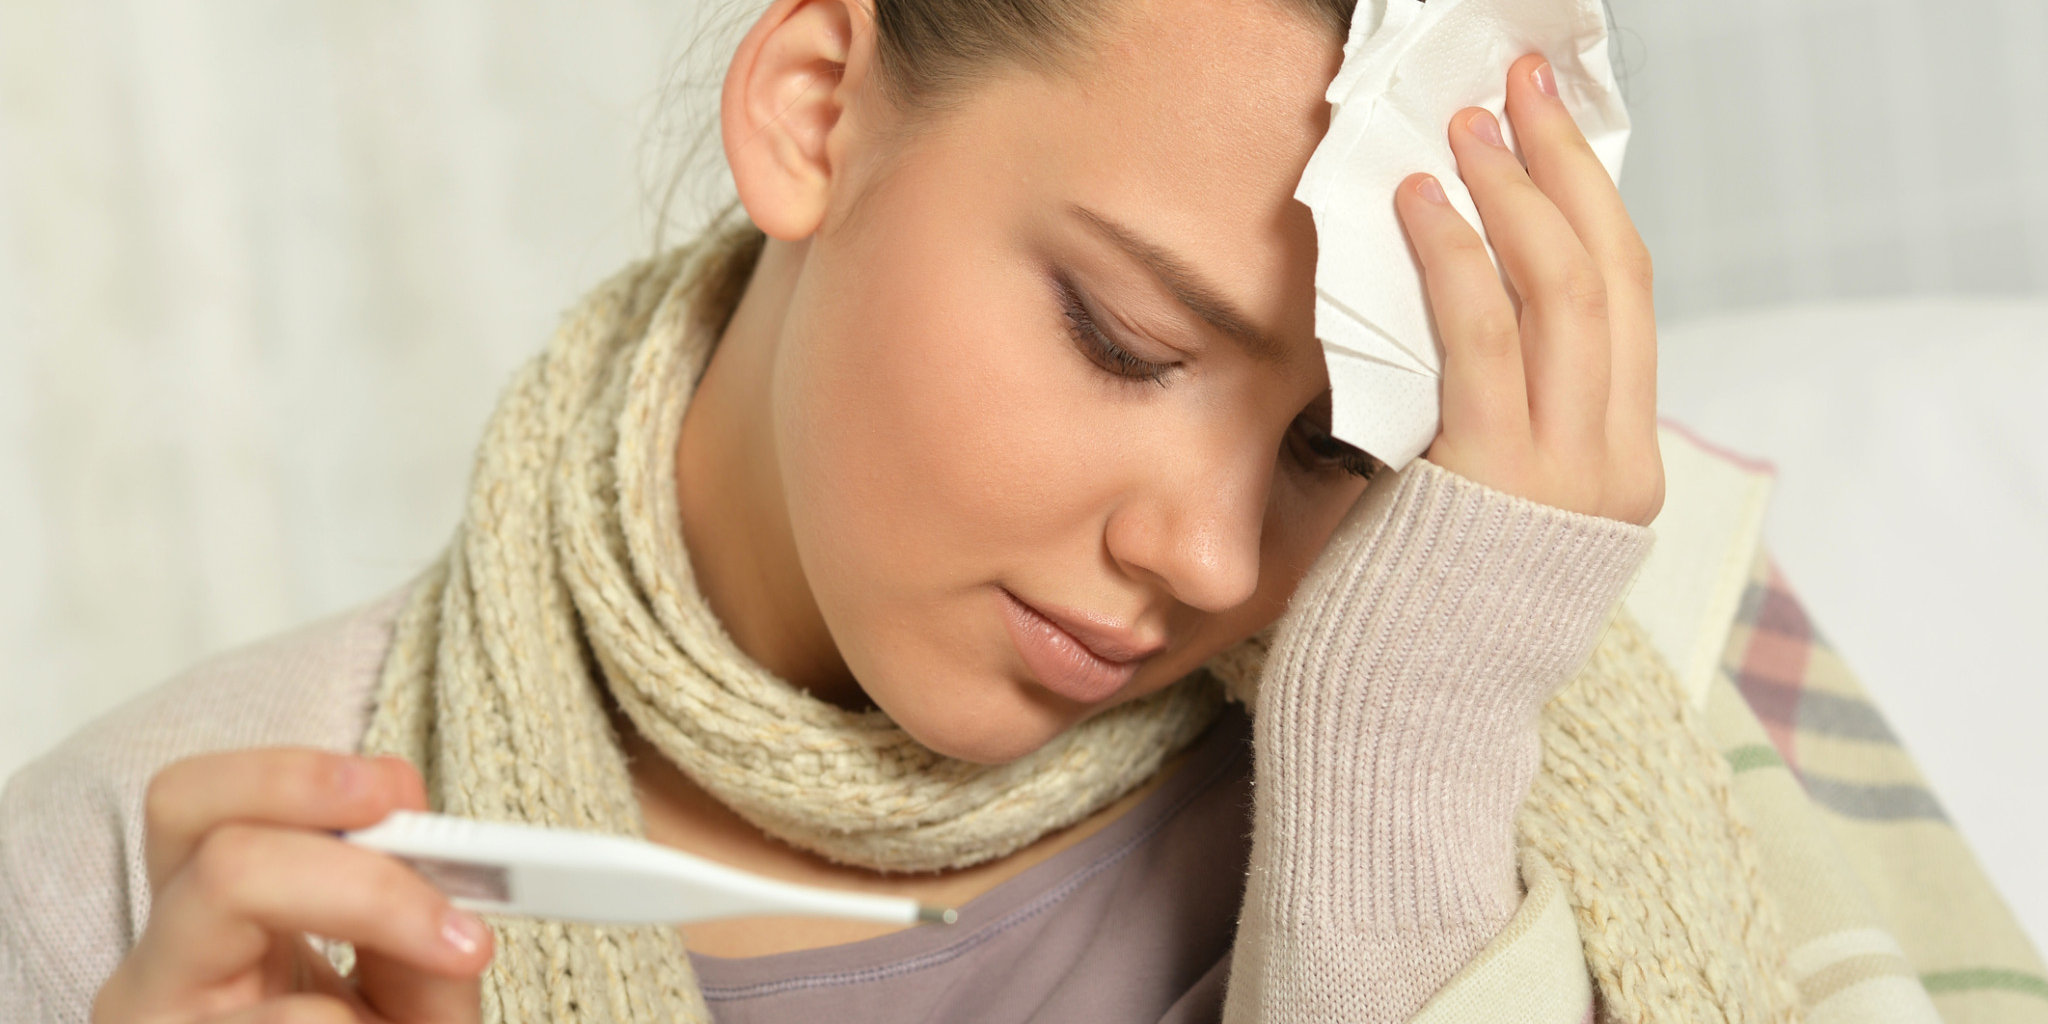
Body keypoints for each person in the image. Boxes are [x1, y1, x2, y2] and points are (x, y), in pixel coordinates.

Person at [2, 0, 1667, 1020]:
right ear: (814, 109)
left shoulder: (1547, 728)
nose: (1213, 559)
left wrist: (1418, 734)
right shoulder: (139, 884)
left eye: (1336, 451)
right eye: (1125, 342)